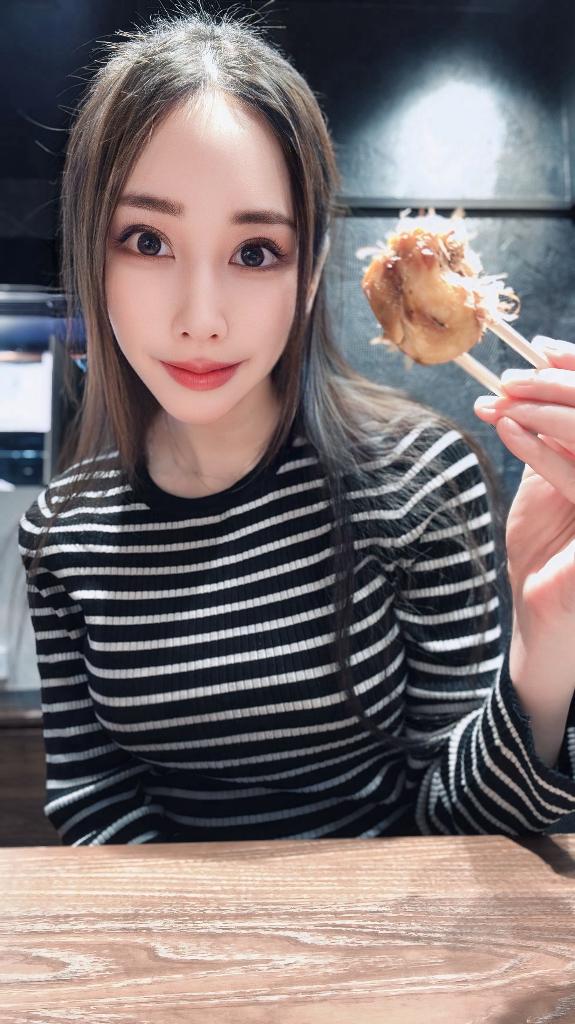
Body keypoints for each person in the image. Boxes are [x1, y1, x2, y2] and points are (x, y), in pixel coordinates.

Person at [18, 7, 575, 846]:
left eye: (254, 252)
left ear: (309, 272)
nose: (200, 319)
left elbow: (458, 831)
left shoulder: (421, 482)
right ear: (91, 252)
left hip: (393, 922)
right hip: (167, 931)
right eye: (146, 240)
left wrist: (545, 644)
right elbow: (94, 800)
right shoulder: (61, 533)